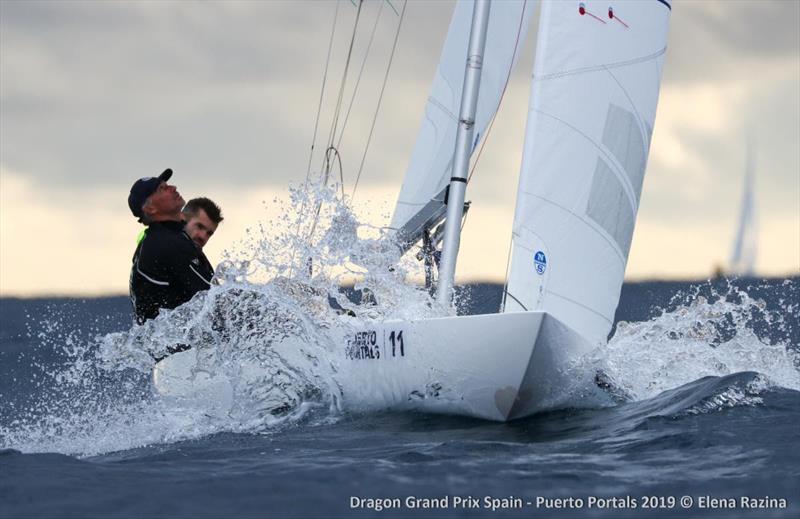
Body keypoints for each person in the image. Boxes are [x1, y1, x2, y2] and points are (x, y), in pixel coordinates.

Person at [128, 169, 215, 325]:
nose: (172, 187)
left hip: (161, 340)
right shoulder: (167, 243)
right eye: (162, 189)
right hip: (177, 345)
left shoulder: (161, 237)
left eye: (167, 184)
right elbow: (213, 297)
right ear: (150, 209)